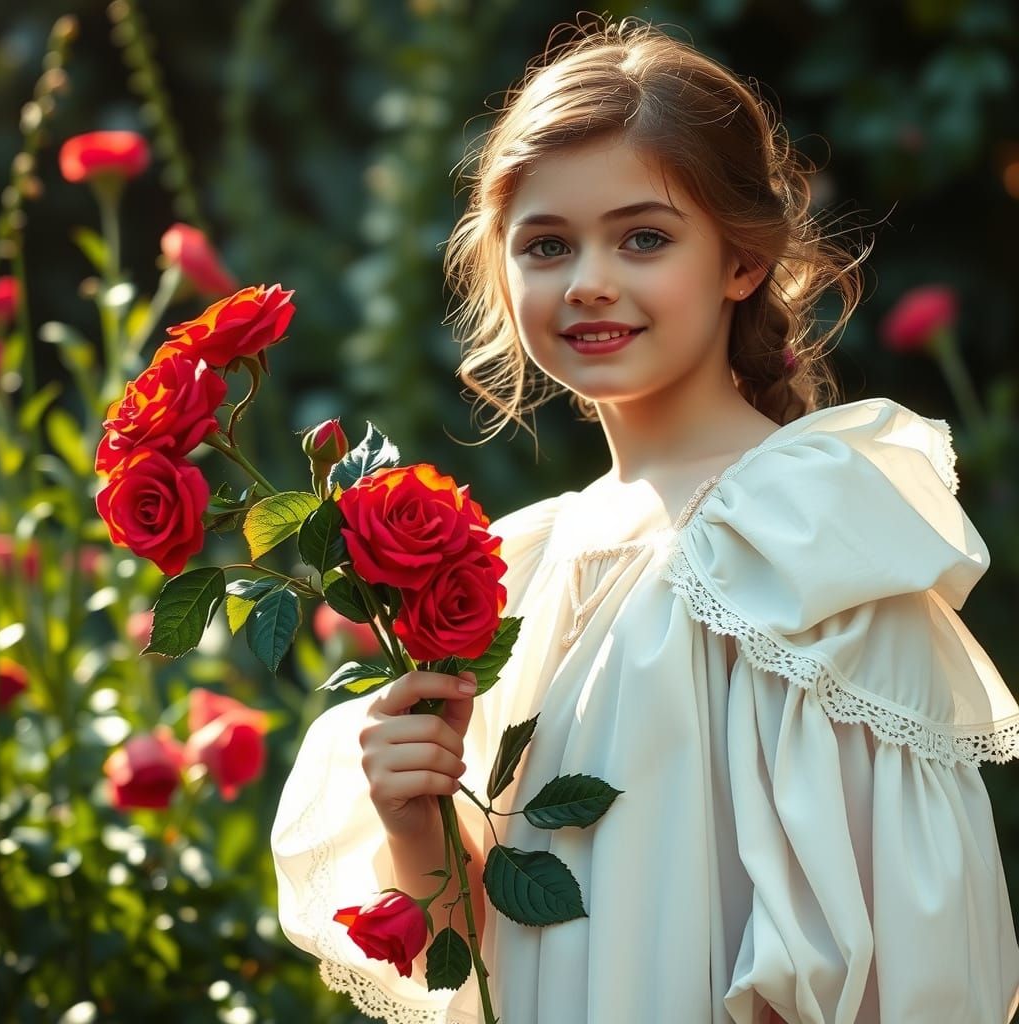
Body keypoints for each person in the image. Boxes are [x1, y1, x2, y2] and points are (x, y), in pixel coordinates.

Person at [272, 17, 1019, 1023]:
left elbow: (891, 957)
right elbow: (485, 969)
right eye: (545, 244)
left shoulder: (803, 540)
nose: (587, 279)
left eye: (644, 237)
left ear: (740, 261)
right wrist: (419, 827)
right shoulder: (527, 564)